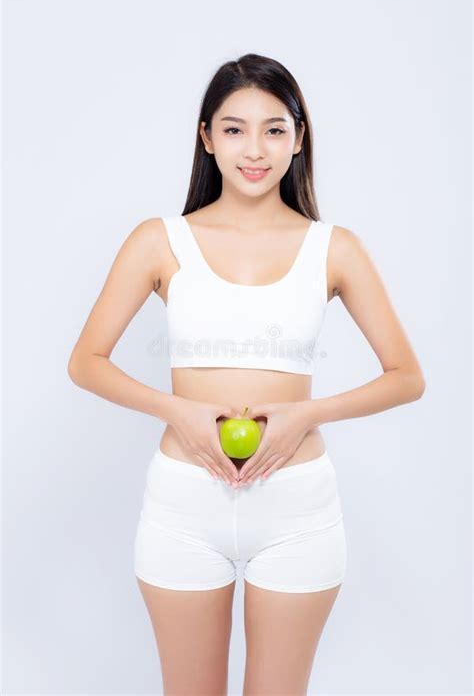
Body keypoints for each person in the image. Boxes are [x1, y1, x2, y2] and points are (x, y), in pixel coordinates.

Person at [67, 52, 425, 695]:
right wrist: (177, 411)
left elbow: (406, 376)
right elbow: (85, 361)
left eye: (274, 128)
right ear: (206, 138)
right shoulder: (160, 240)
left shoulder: (333, 247)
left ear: (298, 137)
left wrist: (305, 416)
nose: (254, 148)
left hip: (297, 508)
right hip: (183, 502)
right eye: (233, 129)